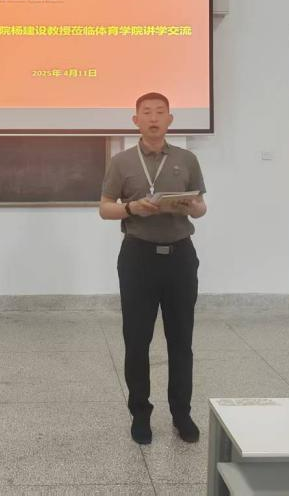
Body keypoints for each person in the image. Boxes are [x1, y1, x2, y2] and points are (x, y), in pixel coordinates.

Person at [100, 92, 207, 445]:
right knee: (137, 340)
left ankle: (181, 414)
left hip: (180, 257)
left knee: (181, 340)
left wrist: (192, 207)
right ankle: (140, 415)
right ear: (136, 120)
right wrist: (132, 209)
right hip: (138, 257)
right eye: (146, 112)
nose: (153, 118)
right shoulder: (121, 162)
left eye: (160, 112)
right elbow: (105, 208)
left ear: (170, 120)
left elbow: (201, 207)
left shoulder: (187, 159)